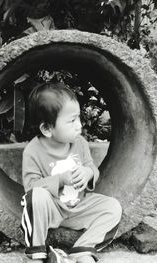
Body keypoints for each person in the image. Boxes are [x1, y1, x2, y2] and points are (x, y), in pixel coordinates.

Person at [21, 82, 122, 263]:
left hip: (79, 207)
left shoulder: (80, 143)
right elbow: (30, 188)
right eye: (71, 121)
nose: (79, 125)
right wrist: (60, 179)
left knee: (113, 207)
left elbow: (93, 169)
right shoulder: (33, 151)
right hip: (52, 208)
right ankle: (37, 254)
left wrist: (88, 173)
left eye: (78, 118)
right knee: (36, 197)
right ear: (47, 129)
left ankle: (82, 250)